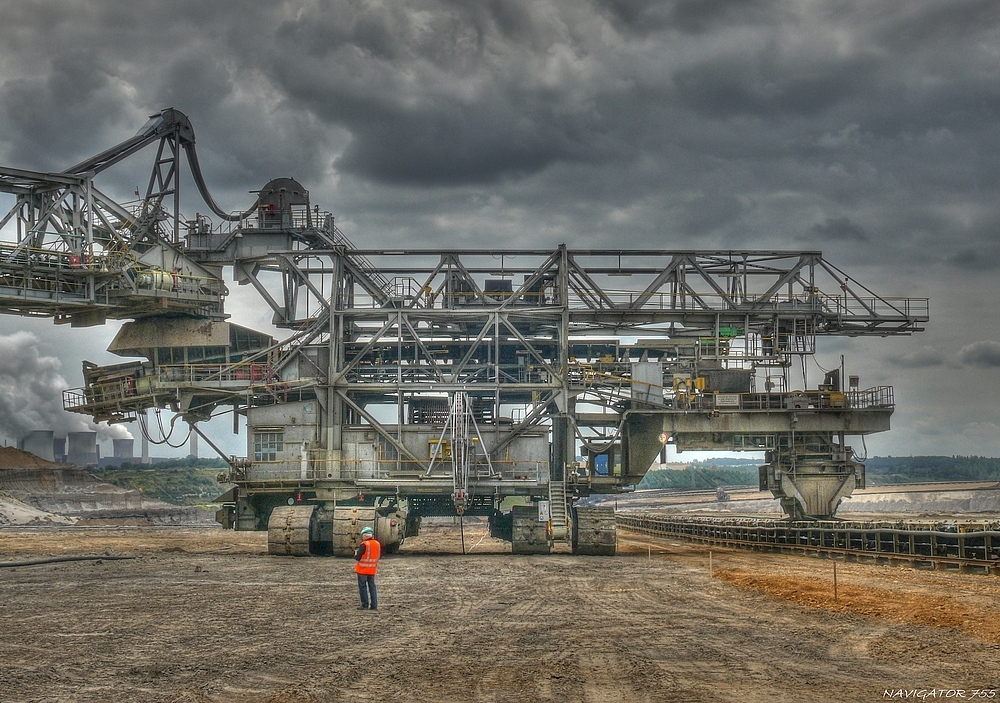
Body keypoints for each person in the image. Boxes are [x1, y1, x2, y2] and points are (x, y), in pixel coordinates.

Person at [354, 526, 381, 610]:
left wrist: (355, 554)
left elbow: (358, 557)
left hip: (362, 570)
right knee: (372, 587)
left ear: (365, 536)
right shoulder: (377, 544)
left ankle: (365, 604)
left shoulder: (364, 544)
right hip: (372, 570)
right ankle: (374, 605)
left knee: (363, 587)